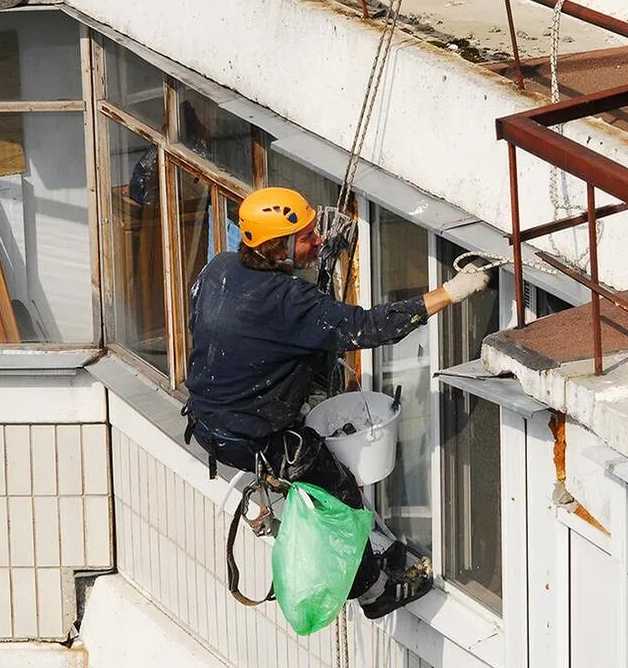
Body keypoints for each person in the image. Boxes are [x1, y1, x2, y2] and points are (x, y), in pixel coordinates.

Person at [184, 187, 489, 619]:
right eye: (307, 238)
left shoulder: (220, 270)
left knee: (315, 465)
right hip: (251, 439)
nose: (319, 241)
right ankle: (376, 591)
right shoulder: (290, 303)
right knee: (340, 494)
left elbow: (250, 328)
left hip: (208, 420)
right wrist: (451, 292)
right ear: (278, 248)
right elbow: (369, 328)